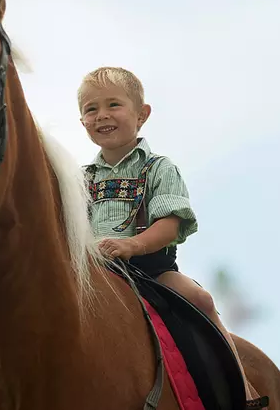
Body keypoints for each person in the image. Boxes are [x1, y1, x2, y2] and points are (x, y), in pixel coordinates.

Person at [79, 66, 263, 405]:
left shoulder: (159, 168)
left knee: (200, 299)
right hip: (92, 275)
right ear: (83, 121)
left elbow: (170, 223)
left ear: (142, 115)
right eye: (91, 109)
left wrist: (132, 244)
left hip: (151, 270)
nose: (102, 115)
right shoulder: (80, 178)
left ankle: (242, 390)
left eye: (113, 105)